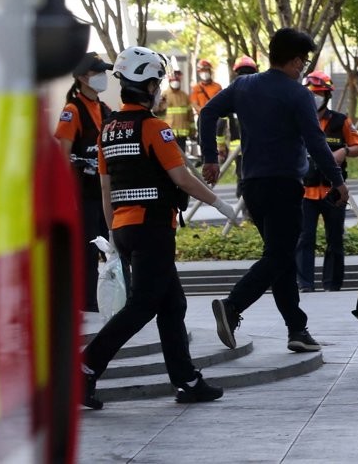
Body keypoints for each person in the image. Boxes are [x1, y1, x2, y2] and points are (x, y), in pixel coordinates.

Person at [80, 46, 235, 410]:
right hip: (152, 229)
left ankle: (186, 380)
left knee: (172, 304)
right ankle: (85, 368)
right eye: (157, 83)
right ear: (147, 85)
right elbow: (181, 178)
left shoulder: (108, 131)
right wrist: (220, 203)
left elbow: (107, 190)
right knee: (142, 306)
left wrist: (115, 235)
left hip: (125, 227)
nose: (160, 89)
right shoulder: (154, 129)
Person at [199, 29, 349, 354]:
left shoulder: (243, 85)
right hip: (283, 185)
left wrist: (210, 158)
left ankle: (297, 329)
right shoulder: (298, 95)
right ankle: (233, 305)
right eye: (304, 61)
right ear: (295, 60)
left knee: (277, 258)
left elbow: (207, 112)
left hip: (251, 186)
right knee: (280, 256)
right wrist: (337, 180)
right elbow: (316, 142)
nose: (304, 68)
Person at [295, 70, 358, 292]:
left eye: (319, 93)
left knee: (334, 240)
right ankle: (305, 284)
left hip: (333, 191)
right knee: (304, 239)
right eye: (311, 94)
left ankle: (332, 285)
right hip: (305, 191)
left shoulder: (341, 121)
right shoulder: (298, 121)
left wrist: (344, 151)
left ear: (327, 96)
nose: (315, 98)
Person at [55, 51, 114, 313]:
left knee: (115, 248)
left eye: (103, 71)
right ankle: (87, 306)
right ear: (82, 77)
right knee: (89, 251)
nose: (102, 77)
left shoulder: (104, 109)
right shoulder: (73, 110)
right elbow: (63, 156)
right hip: (85, 195)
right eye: (97, 72)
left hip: (107, 193)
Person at [157, 70, 192, 152]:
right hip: (168, 131)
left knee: (182, 155)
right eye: (173, 81)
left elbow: (190, 114)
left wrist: (192, 130)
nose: (175, 82)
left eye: (177, 81)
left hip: (182, 132)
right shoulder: (164, 95)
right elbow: (159, 113)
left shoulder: (185, 96)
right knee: (169, 153)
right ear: (169, 81)